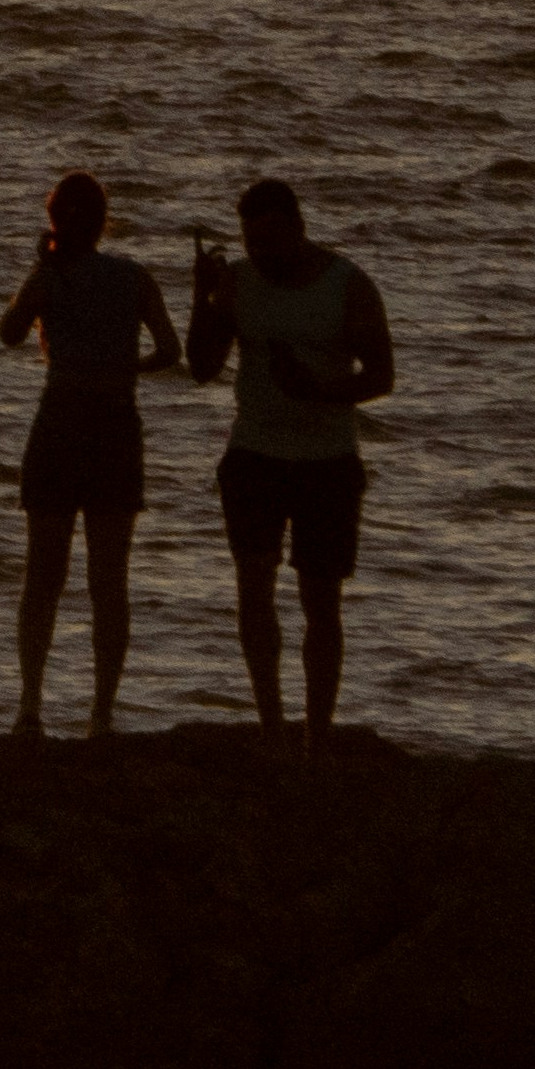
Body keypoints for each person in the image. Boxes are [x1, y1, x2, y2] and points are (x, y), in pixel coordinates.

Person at [188, 176, 396, 746]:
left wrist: (317, 390)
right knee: (253, 589)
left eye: (272, 242)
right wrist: (204, 299)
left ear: (300, 230)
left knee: (321, 601)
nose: (262, 254)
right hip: (253, 453)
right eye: (252, 243)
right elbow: (203, 367)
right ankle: (273, 727)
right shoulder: (239, 283)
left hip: (327, 460)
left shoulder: (346, 285)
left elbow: (382, 376)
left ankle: (318, 736)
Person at [0, 170, 181, 739]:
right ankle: (100, 714)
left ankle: (30, 705)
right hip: (115, 426)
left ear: (54, 220)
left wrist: (40, 275)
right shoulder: (133, 276)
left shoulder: (50, 277)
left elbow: (8, 334)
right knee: (108, 579)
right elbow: (170, 351)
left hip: (61, 423)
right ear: (103, 221)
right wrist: (126, 368)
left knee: (43, 575)